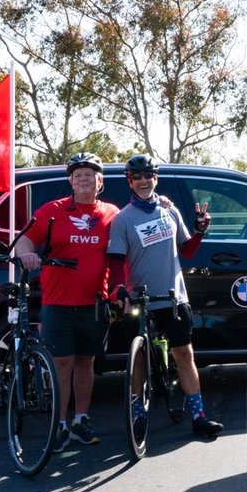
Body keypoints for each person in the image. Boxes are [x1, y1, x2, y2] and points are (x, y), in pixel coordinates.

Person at [107, 153, 223, 440]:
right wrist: (119, 288)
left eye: (148, 175)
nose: (143, 181)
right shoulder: (122, 219)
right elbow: (116, 262)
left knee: (184, 354)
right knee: (138, 359)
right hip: (140, 301)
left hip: (174, 298)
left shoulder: (170, 211)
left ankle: (199, 416)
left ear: (155, 178)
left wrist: (200, 231)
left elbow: (188, 250)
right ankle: (138, 414)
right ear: (129, 181)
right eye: (137, 177)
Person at [16, 151, 119, 453]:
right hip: (58, 303)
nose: (84, 179)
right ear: (71, 182)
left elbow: (134, 230)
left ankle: (81, 420)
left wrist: (163, 204)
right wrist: (27, 254)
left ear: (100, 181)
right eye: (78, 175)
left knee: (86, 363)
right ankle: (60, 424)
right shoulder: (53, 210)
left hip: (94, 303)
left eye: (90, 175)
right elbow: (25, 239)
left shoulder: (112, 213)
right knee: (61, 365)